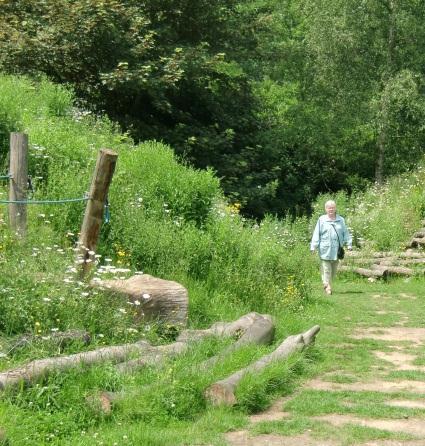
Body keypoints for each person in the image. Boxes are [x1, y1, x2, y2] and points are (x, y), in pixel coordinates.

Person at [310, 200, 352, 295]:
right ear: (326, 209)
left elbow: (345, 232)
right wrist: (313, 246)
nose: (331, 209)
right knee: (326, 268)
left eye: (332, 207)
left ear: (335, 208)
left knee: (333, 270)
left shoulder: (341, 220)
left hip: (337, 249)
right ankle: (327, 286)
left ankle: (326, 283)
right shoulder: (321, 219)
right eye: (329, 207)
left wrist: (349, 244)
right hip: (325, 248)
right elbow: (316, 233)